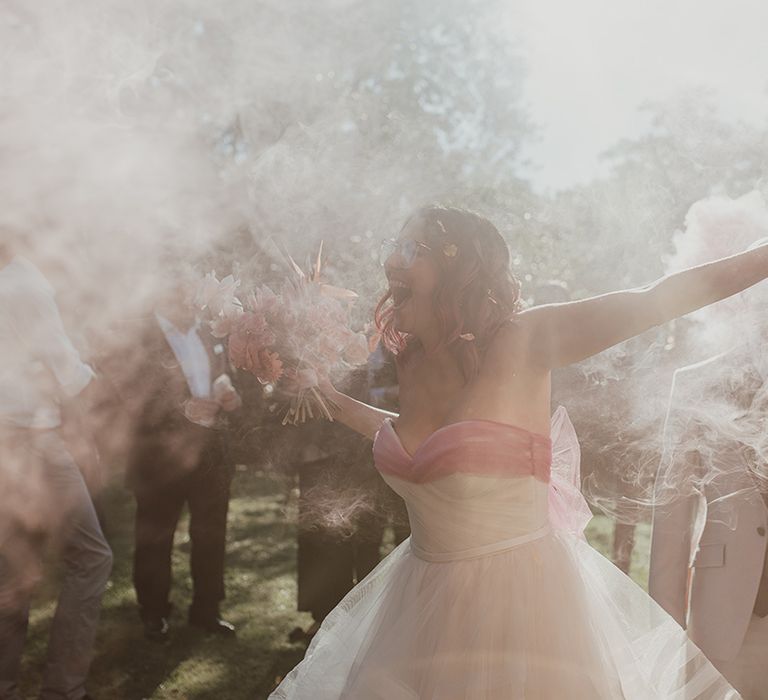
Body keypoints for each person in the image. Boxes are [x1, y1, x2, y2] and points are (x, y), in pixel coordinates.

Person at [269, 204, 768, 699]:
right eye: (391, 247)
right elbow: (414, 441)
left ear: (457, 264)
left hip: (523, 609)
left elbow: (658, 297)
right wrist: (331, 402)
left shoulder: (528, 338)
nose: (390, 263)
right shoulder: (415, 356)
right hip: (417, 605)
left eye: (409, 249)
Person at [0, 233, 112, 700]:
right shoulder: (27, 282)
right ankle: (64, 689)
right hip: (32, 440)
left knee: (11, 569)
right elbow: (69, 371)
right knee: (92, 558)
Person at [111, 275, 242, 641]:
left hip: (212, 453)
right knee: (155, 536)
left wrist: (230, 395)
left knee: (211, 533)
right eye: (185, 292)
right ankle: (153, 612)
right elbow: (129, 395)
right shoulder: (140, 339)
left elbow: (225, 377)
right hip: (159, 456)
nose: (193, 301)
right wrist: (182, 409)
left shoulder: (208, 332)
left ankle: (207, 610)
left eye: (194, 293)